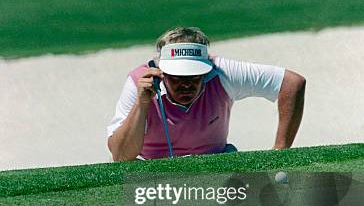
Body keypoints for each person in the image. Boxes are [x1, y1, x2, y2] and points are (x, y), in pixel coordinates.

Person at [107, 26, 306, 161]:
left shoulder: (222, 72)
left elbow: (291, 83)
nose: (186, 85)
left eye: (194, 76)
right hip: (151, 169)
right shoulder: (139, 84)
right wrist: (142, 104)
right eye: (177, 77)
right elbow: (121, 156)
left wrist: (280, 150)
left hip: (215, 162)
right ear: (161, 72)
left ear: (207, 70)